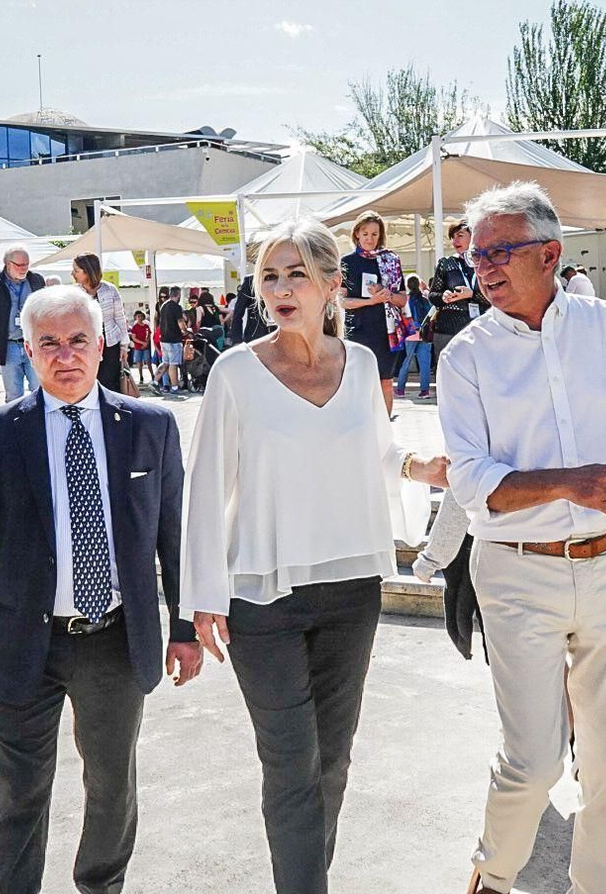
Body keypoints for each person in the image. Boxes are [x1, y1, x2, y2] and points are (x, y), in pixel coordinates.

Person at [183, 218, 447, 894]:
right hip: (260, 597)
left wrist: (418, 466)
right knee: (291, 766)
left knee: (332, 762)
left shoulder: (359, 364)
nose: (280, 289)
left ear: (332, 285)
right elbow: (206, 485)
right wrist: (202, 596)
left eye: (296, 274)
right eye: (269, 276)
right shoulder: (235, 372)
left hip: (351, 590)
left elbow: (379, 450)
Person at [437, 182, 606, 894]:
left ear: (550, 254)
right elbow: (472, 481)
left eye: (500, 252)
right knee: (534, 761)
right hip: (517, 571)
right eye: (477, 255)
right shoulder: (465, 356)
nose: (484, 267)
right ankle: (494, 875)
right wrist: (570, 483)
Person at [0, 285, 201, 893]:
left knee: (112, 785)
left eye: (78, 340)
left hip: (115, 640)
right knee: (18, 789)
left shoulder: (150, 426)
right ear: (28, 350)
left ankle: (101, 885)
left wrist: (184, 627)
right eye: (49, 344)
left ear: (102, 343)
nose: (66, 356)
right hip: (21, 643)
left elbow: (175, 533)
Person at [340, 210, 408, 415]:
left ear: (380, 235)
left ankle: (385, 426)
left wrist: (387, 295)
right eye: (365, 234)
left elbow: (403, 299)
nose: (369, 238)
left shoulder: (391, 260)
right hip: (358, 329)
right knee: (359, 382)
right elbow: (342, 302)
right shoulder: (347, 262)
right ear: (357, 234)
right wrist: (371, 301)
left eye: (374, 234)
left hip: (386, 331)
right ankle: (361, 425)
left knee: (385, 380)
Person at [0, 245, 46, 403]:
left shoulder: (36, 280)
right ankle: (16, 420)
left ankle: (40, 419)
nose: (24, 269)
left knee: (41, 390)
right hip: (8, 346)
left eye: (26, 264)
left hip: (34, 345)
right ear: (8, 264)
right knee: (14, 395)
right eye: (19, 265)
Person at [428, 220, 486, 368]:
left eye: (460, 236)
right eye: (453, 237)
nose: (455, 241)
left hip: (479, 328)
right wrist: (443, 297)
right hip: (448, 328)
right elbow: (433, 296)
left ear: (473, 236)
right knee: (446, 372)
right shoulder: (446, 263)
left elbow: (494, 297)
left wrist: (472, 294)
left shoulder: (485, 262)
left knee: (479, 372)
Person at [72, 252, 126, 393]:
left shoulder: (110, 289)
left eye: (76, 270)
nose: (72, 274)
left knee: (110, 383)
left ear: (88, 271)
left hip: (110, 344)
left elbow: (120, 317)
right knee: (87, 382)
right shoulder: (74, 293)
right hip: (85, 345)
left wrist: (124, 346)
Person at [393, 274, 433, 399]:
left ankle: (400, 389)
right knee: (425, 363)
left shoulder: (405, 300)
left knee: (406, 362)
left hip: (410, 335)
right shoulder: (425, 298)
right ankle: (425, 391)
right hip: (424, 334)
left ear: (407, 286)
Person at [156, 286, 188, 395]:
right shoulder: (176, 307)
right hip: (174, 339)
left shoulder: (163, 306)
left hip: (163, 338)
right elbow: (180, 322)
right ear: (178, 295)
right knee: (173, 364)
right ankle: (174, 387)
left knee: (165, 363)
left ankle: (154, 382)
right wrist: (186, 331)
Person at [129, 309, 153, 384]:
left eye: (141, 316)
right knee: (139, 362)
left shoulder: (146, 326)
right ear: (135, 317)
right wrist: (142, 343)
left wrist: (146, 343)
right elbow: (134, 338)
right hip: (138, 347)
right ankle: (141, 376)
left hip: (146, 347)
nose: (140, 318)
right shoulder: (135, 327)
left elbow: (148, 335)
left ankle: (152, 375)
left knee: (148, 361)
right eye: (138, 316)